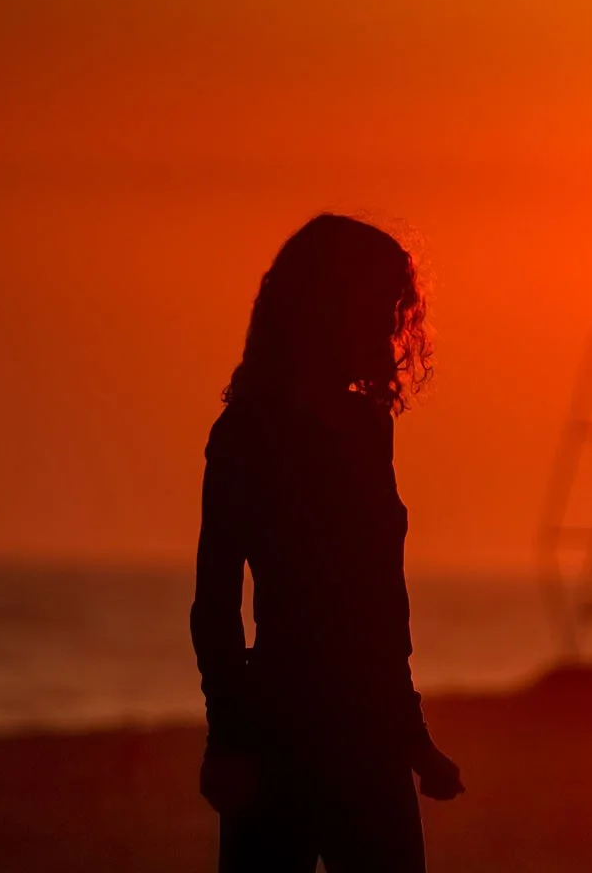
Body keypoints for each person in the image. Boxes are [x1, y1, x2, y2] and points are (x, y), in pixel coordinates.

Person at [191, 214, 463, 873]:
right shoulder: (246, 435)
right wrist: (228, 739)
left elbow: (381, 607)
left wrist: (413, 738)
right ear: (327, 308)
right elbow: (216, 604)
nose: (387, 327)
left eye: (393, 308)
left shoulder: (368, 430)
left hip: (370, 735)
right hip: (277, 729)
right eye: (376, 306)